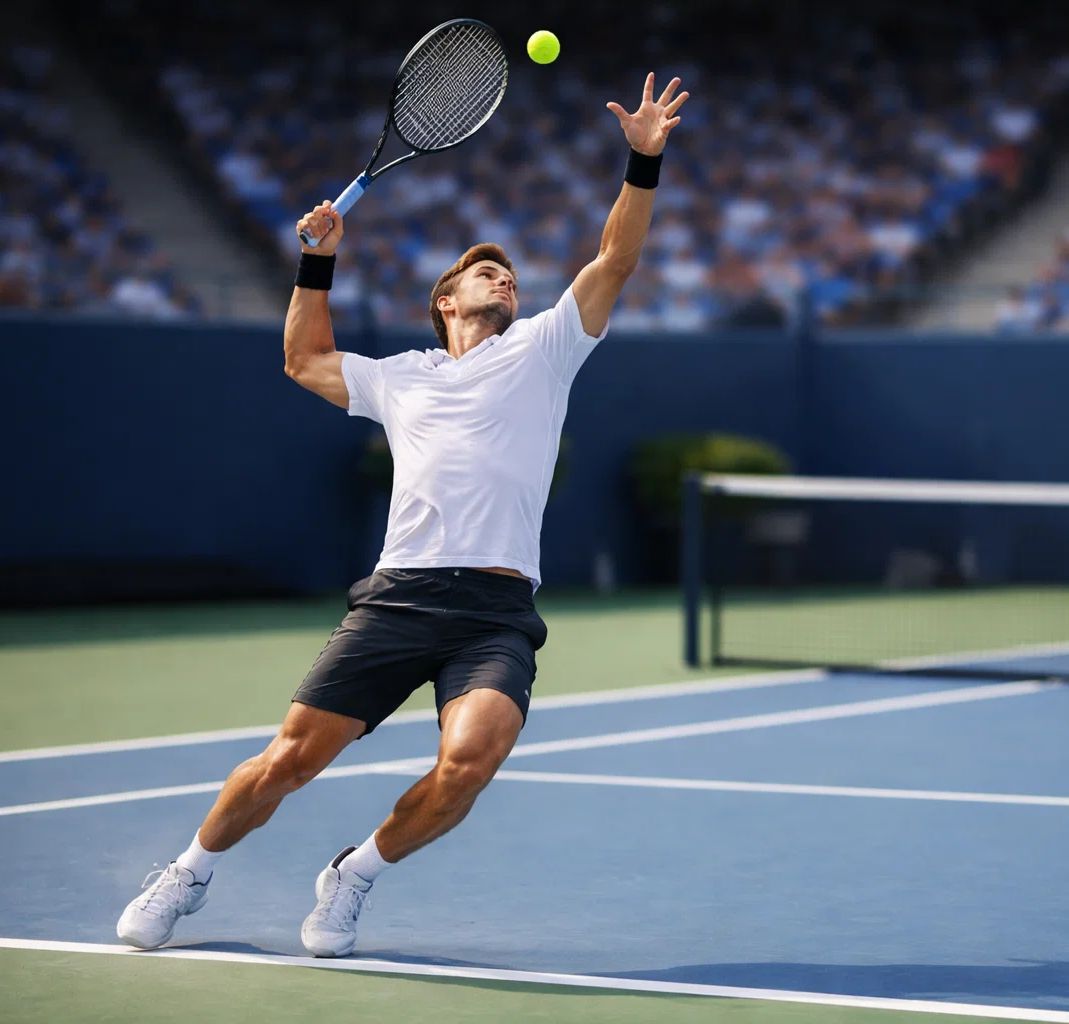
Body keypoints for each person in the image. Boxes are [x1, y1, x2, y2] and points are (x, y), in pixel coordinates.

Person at [116, 73, 689, 958]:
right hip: (399, 599)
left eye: (507, 270)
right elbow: (303, 360)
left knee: (472, 761)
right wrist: (318, 259)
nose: (501, 274)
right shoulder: (401, 375)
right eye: (480, 270)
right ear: (446, 303)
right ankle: (188, 871)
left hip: (495, 612)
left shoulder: (547, 348)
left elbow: (614, 260)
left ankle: (354, 874)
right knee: (288, 763)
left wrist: (642, 161)